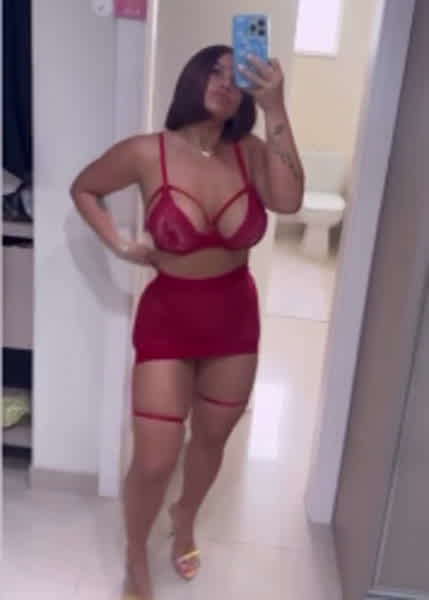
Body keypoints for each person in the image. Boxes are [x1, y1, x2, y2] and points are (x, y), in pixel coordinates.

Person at [71, 44, 304, 600]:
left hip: (234, 319)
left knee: (212, 438)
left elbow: (290, 201)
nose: (225, 82)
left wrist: (276, 107)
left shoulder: (250, 152)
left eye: (236, 76)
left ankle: (185, 517)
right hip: (168, 319)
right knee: (155, 458)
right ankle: (135, 552)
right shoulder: (146, 152)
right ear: (192, 79)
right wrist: (121, 244)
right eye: (213, 71)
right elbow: (85, 188)